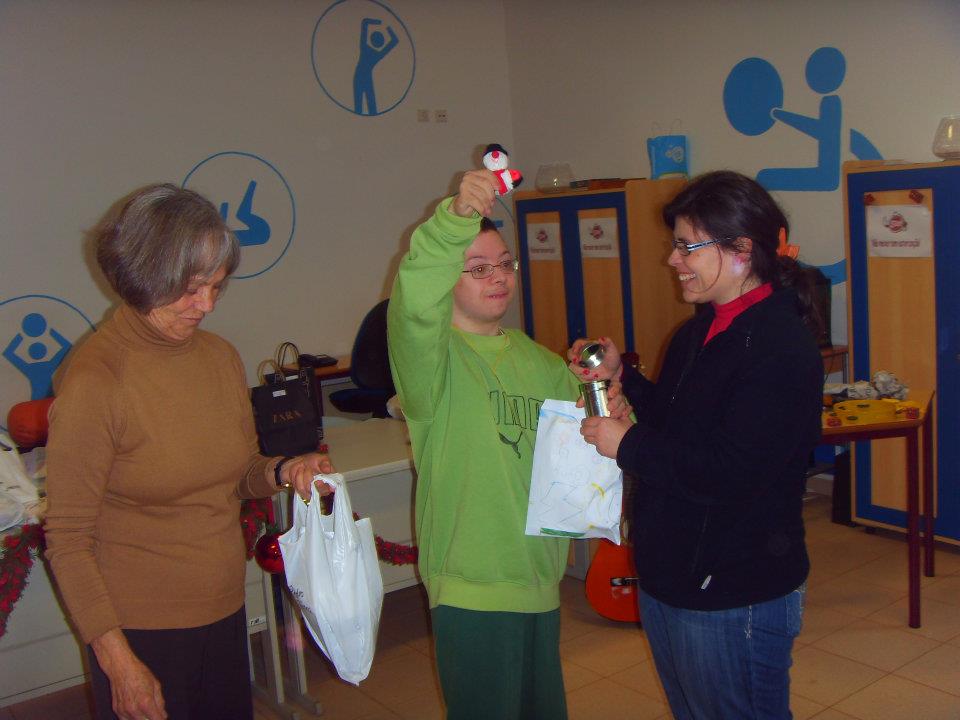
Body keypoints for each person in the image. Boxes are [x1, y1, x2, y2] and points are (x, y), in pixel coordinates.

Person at [44, 184, 334, 720]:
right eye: (190, 289)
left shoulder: (219, 357)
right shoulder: (97, 381)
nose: (206, 305)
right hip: (139, 630)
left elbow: (237, 471)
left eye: (216, 287)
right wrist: (118, 662)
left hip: (223, 609)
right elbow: (67, 539)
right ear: (141, 277)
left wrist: (283, 469)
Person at [571, 170, 823, 720]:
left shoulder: (780, 348)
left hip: (734, 588)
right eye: (676, 245)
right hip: (673, 574)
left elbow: (731, 472)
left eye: (687, 246)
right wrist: (623, 379)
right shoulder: (698, 331)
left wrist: (628, 444)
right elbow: (678, 420)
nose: (673, 260)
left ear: (741, 250)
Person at [386, 170, 582, 720]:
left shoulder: (541, 362)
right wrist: (453, 222)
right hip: (472, 585)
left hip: (539, 578)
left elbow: (598, 437)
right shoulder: (430, 364)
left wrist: (608, 389)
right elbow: (413, 304)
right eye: (477, 268)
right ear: (448, 278)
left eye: (504, 264)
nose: (497, 278)